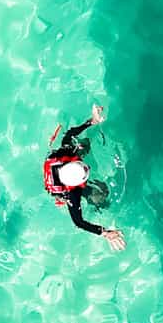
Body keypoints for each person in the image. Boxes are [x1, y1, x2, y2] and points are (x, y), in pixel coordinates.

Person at [43, 104, 125, 249]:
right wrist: (104, 233)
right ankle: (98, 206)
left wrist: (91, 121)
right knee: (102, 194)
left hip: (65, 167)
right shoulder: (72, 194)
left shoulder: (63, 154)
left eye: (83, 165)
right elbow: (78, 222)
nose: (89, 167)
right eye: (86, 172)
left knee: (84, 144)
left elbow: (69, 134)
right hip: (62, 190)